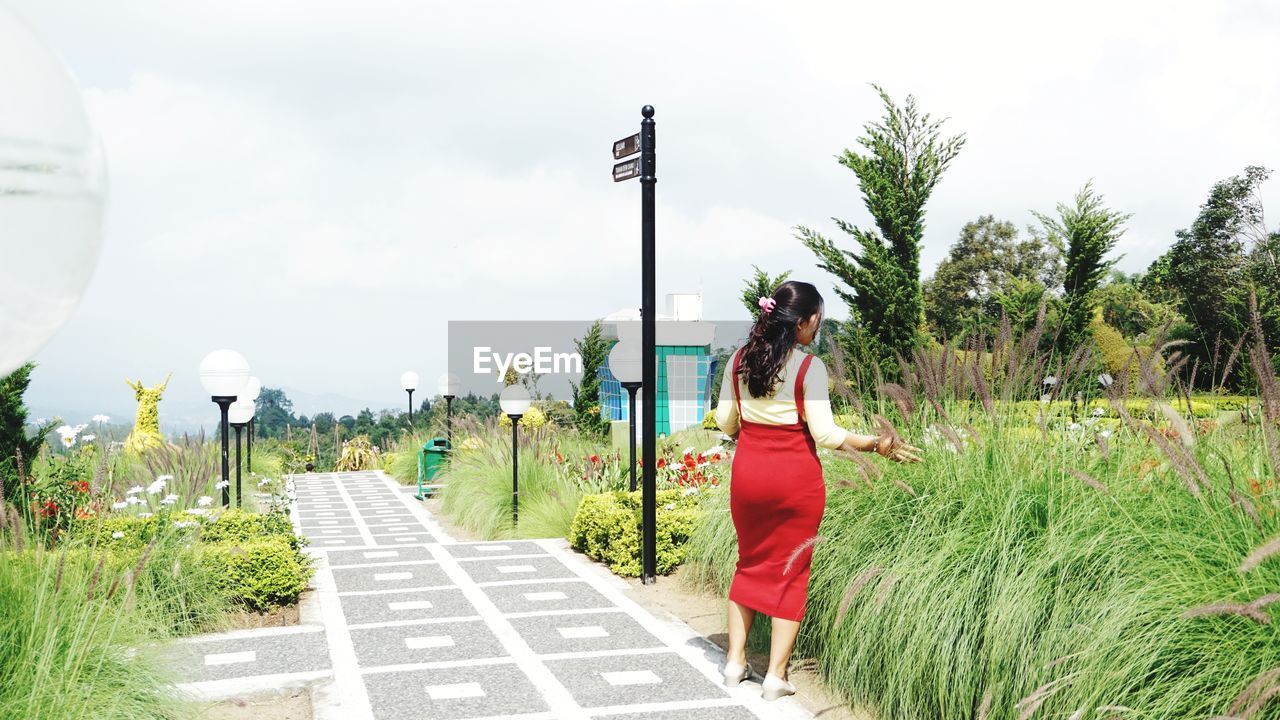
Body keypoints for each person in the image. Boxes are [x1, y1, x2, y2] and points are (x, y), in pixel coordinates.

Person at [713, 280, 921, 701]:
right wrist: (877, 445)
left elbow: (723, 421)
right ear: (803, 322)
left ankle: (735, 663)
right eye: (817, 321)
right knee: (792, 568)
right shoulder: (810, 368)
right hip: (794, 479)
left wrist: (748, 427)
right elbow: (825, 434)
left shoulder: (737, 361)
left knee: (749, 561)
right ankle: (775, 675)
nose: (817, 328)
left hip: (749, 473)